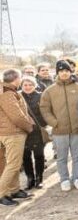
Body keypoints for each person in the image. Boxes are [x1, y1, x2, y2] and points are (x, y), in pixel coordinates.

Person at [40, 60, 78, 191]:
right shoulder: (50, 91)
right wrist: (54, 123)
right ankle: (64, 179)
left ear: (70, 72)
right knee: (62, 157)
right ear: (57, 73)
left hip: (77, 129)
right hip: (59, 130)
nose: (64, 73)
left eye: (66, 71)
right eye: (61, 71)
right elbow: (44, 109)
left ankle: (77, 178)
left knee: (77, 155)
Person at [0, 69, 35, 206]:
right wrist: (29, 126)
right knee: (14, 164)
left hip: (8, 132)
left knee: (12, 163)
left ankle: (14, 190)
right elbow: (16, 116)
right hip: (12, 133)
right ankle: (2, 193)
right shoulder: (8, 94)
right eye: (20, 78)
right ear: (16, 78)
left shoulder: (6, 91)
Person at [20, 76, 47, 190]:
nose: (28, 87)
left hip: (37, 130)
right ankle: (30, 179)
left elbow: (46, 112)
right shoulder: (18, 96)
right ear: (21, 86)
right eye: (25, 85)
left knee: (39, 155)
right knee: (25, 156)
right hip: (23, 131)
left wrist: (42, 124)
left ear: (35, 85)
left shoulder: (41, 96)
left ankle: (39, 179)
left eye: (30, 84)